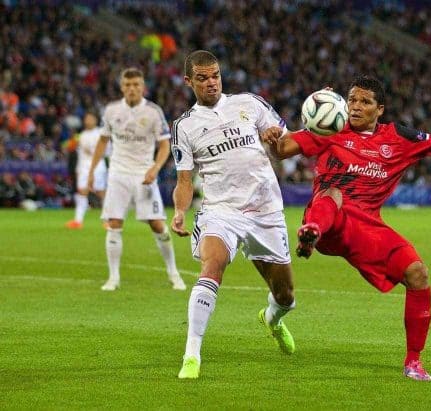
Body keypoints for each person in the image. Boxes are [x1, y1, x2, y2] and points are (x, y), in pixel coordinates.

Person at [262, 75, 431, 382]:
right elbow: (282, 151)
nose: (356, 107)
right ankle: (311, 232)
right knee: (333, 194)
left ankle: (414, 362)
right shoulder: (330, 128)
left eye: (365, 101)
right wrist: (273, 140)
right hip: (329, 219)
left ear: (380, 109)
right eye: (352, 100)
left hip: (369, 227)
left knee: (417, 274)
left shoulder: (399, 137)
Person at [170, 50, 297, 379]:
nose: (211, 83)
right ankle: (191, 355)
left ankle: (272, 318)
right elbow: (185, 181)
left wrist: (273, 141)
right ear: (188, 81)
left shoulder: (250, 104)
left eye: (215, 76)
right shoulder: (184, 126)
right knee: (212, 267)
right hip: (220, 210)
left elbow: (284, 148)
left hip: (265, 209)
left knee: (285, 295)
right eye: (202, 78)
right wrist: (180, 212)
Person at [87, 67, 186, 292]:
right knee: (114, 224)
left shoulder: (153, 111)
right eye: (128, 85)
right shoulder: (111, 110)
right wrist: (92, 170)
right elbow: (103, 141)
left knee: (158, 224)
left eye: (136, 85)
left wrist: (155, 167)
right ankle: (113, 278)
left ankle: (173, 272)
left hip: (144, 173)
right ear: (122, 87)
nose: (132, 89)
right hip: (118, 173)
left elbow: (164, 144)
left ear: (143, 87)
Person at [65, 112, 108, 229]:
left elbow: (108, 151)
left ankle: (107, 220)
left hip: (98, 167)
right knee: (82, 192)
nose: (88, 120)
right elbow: (80, 155)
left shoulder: (101, 133)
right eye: (86, 118)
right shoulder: (82, 135)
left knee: (100, 193)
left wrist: (95, 152)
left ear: (95, 120)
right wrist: (78, 169)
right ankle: (78, 221)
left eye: (90, 118)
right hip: (83, 168)